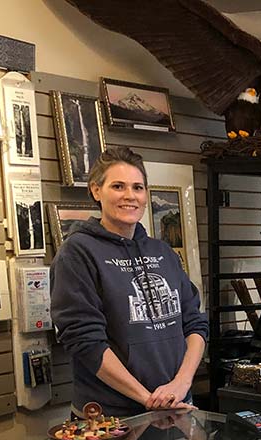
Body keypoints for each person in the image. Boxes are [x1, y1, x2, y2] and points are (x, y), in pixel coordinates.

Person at [50, 146, 208, 417]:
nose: (130, 196)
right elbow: (85, 341)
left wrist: (181, 383)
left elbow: (194, 323)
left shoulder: (163, 253)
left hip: (175, 406)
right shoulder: (77, 253)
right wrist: (147, 398)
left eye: (138, 187)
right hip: (112, 417)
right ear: (96, 191)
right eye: (118, 186)